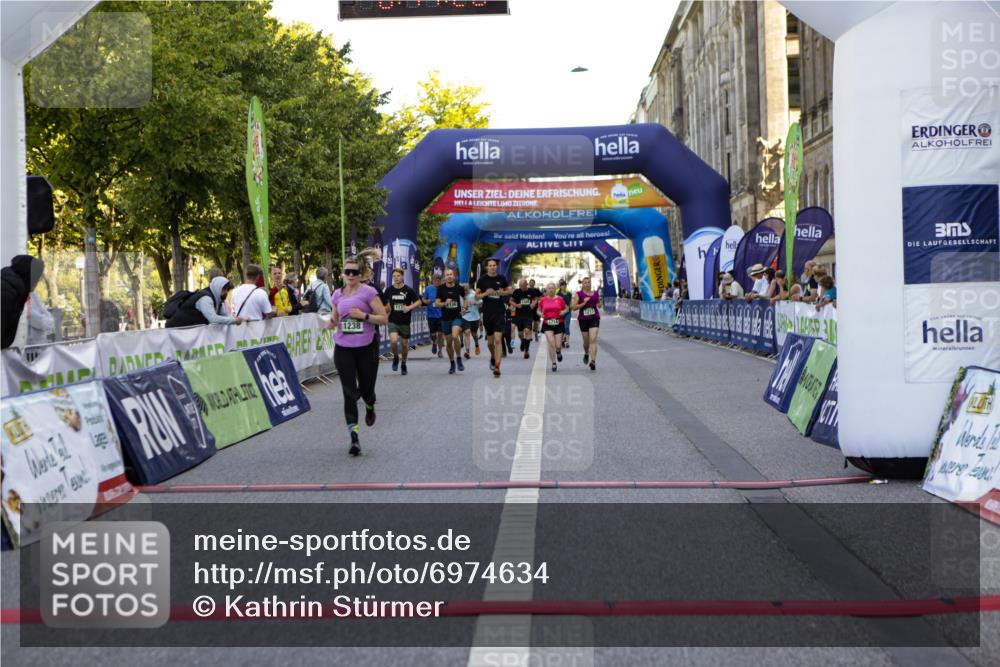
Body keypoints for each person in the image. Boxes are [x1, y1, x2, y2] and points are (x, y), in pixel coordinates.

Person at [325, 250, 388, 457]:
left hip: (366, 347)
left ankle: (370, 405)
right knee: (349, 393)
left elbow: (383, 318)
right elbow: (336, 318)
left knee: (367, 390)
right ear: (343, 274)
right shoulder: (337, 294)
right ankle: (354, 438)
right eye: (347, 272)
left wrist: (364, 316)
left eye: (354, 272)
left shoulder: (369, 292)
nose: (351, 275)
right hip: (343, 347)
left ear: (361, 274)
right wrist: (331, 323)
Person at [476, 258, 512, 377]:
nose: (492, 267)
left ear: (497, 266)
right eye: (490, 266)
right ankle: (493, 356)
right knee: (490, 343)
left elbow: (509, 290)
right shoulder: (482, 280)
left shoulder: (501, 278)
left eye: (494, 265)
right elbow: (477, 296)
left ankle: (497, 366)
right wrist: (486, 293)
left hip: (499, 312)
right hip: (487, 313)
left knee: (498, 340)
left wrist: (503, 293)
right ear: (487, 267)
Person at [382, 267, 420, 375]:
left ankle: (403, 363)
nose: (396, 278)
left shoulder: (408, 290)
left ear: (402, 276)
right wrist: (385, 310)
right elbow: (384, 303)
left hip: (405, 321)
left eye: (398, 276)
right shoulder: (389, 290)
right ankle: (395, 357)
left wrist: (409, 307)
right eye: (394, 276)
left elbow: (418, 302)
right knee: (393, 341)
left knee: (404, 344)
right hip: (392, 320)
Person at [165, 276, 245, 328]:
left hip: (186, 331)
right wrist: (234, 321)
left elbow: (225, 315)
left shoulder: (217, 300)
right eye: (224, 290)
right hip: (176, 331)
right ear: (218, 288)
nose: (226, 293)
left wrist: (240, 319)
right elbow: (213, 319)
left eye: (227, 290)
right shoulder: (206, 299)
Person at [1, 255, 44, 349]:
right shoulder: (6, 293)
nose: (37, 282)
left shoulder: (15, 290)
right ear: (28, 274)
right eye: (37, 277)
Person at [434, 268, 466, 374]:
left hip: (456, 317)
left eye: (451, 274)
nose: (449, 276)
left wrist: (464, 308)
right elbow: (437, 303)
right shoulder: (441, 289)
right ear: (445, 277)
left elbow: (466, 299)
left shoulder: (459, 288)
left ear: (454, 276)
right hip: (445, 318)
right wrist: (445, 303)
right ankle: (452, 363)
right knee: (448, 343)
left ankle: (459, 358)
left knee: (455, 336)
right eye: (447, 275)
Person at [537, 282, 569, 373]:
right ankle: (554, 362)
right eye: (549, 288)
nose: (551, 290)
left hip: (558, 323)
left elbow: (566, 308)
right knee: (551, 342)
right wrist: (541, 314)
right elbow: (538, 310)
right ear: (546, 290)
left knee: (558, 345)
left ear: (555, 290)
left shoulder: (560, 299)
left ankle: (558, 352)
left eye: (552, 288)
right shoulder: (543, 300)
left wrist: (563, 312)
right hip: (547, 323)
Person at [571, 275, 601, 371]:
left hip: (594, 318)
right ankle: (586, 353)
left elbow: (599, 304)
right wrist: (583, 303)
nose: (587, 284)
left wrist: (599, 304)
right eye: (585, 283)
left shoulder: (595, 293)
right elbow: (574, 308)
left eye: (589, 283)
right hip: (583, 320)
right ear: (582, 285)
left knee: (593, 339)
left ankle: (593, 361)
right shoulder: (578, 294)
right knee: (586, 343)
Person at [510, 278, 536, 359]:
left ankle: (526, 351)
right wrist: (516, 305)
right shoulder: (516, 292)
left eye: (522, 285)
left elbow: (535, 299)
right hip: (519, 315)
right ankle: (522, 341)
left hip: (528, 315)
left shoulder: (531, 292)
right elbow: (511, 301)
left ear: (526, 285)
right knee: (520, 334)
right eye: (520, 285)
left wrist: (533, 304)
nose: (521, 287)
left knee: (527, 331)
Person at [422, 274, 444, 358]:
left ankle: (440, 351)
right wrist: (426, 301)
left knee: (440, 334)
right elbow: (423, 299)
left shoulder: (443, 289)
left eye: (438, 281)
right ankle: (434, 343)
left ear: (440, 281)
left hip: (441, 315)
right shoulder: (428, 288)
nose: (437, 282)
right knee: (433, 334)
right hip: (431, 315)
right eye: (435, 281)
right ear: (433, 281)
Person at [461, 282, 482, 359]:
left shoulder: (473, 294)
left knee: (474, 334)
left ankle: (477, 344)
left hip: (475, 317)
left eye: (466, 290)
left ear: (469, 289)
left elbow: (481, 302)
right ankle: (467, 352)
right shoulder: (460, 295)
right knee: (467, 332)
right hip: (465, 317)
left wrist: (474, 302)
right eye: (463, 290)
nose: (465, 292)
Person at [557, 280, 572, 349]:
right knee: (561, 327)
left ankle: (567, 342)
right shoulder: (558, 294)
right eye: (562, 285)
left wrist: (571, 307)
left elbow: (570, 302)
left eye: (565, 285)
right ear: (560, 286)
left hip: (568, 312)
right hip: (560, 313)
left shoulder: (569, 294)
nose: (563, 286)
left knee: (567, 327)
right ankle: (563, 340)